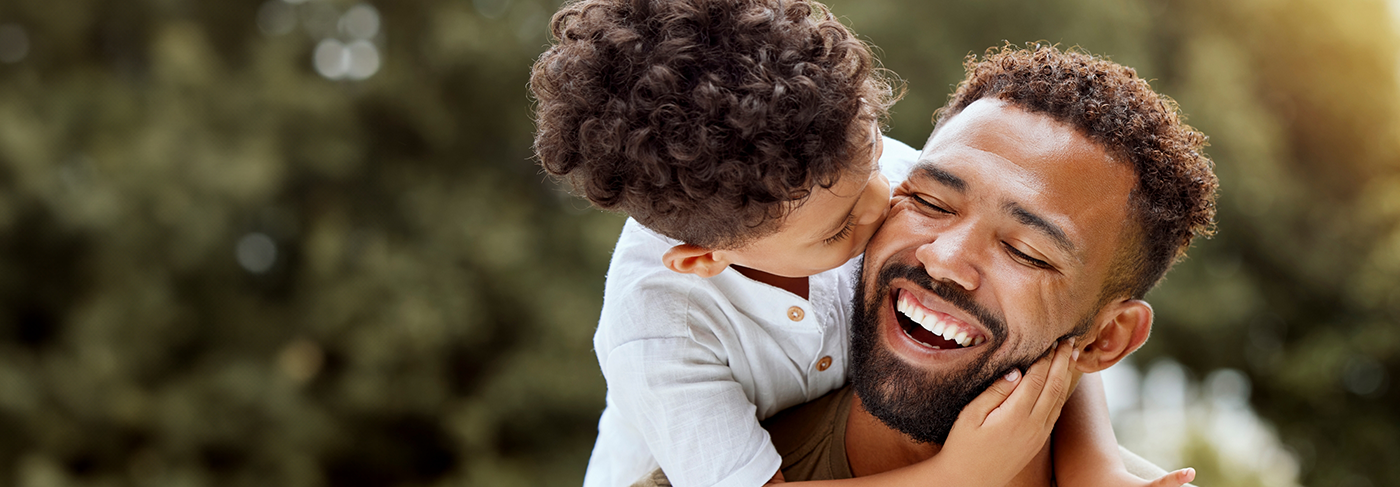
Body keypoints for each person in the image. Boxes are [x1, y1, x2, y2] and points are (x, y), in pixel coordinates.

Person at [530, 0, 1191, 484]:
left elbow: (1068, 304)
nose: (892, 213)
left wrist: (1095, 467)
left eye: (908, 189)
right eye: (930, 204)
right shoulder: (660, 335)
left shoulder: (849, 180)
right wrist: (957, 476)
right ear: (706, 258)